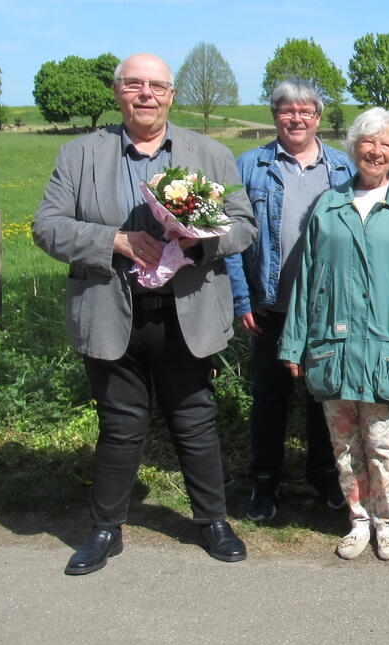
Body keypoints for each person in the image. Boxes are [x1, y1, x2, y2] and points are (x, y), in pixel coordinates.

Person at [32, 53, 257, 575]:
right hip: (112, 310)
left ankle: (212, 520)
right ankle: (106, 528)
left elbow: (243, 225)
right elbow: (47, 227)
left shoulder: (211, 154)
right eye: (134, 84)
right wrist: (113, 240)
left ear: (172, 95)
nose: (146, 94)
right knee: (119, 424)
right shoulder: (79, 155)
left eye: (157, 86)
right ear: (118, 93)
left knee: (194, 419)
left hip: (187, 311)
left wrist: (197, 241)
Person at [278, 108, 389, 561]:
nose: (375, 151)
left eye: (385, 144)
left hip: (384, 343)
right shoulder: (329, 204)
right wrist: (293, 341)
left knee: (381, 442)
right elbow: (305, 277)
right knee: (343, 444)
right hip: (332, 342)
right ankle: (357, 519)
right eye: (367, 141)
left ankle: (386, 522)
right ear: (354, 147)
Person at [225, 80, 353, 522]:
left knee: (323, 397)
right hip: (271, 307)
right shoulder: (249, 166)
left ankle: (324, 478)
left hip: (326, 308)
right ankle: (264, 482)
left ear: (318, 118)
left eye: (306, 112)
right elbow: (231, 239)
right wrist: (242, 297)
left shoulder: (342, 168)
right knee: (269, 399)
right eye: (287, 111)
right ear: (274, 115)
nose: (296, 119)